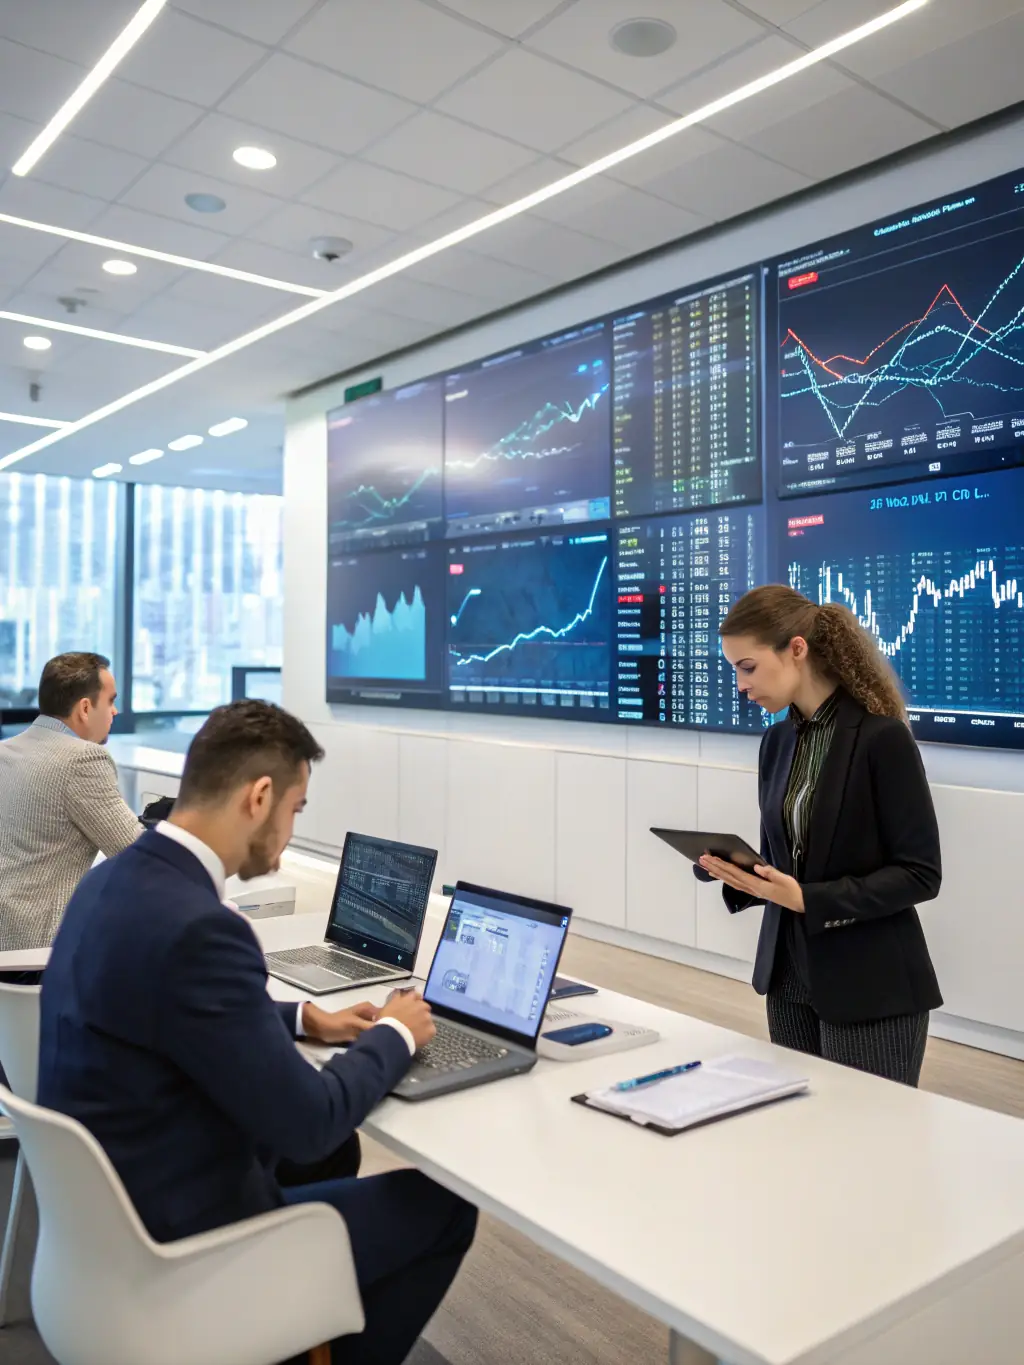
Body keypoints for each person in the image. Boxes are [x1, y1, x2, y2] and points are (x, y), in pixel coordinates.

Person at [38, 699, 476, 1364]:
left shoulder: (112, 881)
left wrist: (303, 1016)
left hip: (108, 1234)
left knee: (330, 1162)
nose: (292, 830)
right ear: (260, 795)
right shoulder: (202, 927)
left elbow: (154, 1007)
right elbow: (309, 1120)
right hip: (188, 1254)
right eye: (296, 810)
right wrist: (394, 1032)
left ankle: (304, 1336)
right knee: (443, 1206)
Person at [696, 584, 942, 1087]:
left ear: (797, 649)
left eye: (747, 667)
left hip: (870, 983)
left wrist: (808, 898)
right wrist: (739, 873)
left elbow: (920, 874)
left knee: (866, 1143)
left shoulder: (881, 739)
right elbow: (786, 857)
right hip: (788, 975)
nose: (740, 686)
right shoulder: (777, 741)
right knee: (802, 1136)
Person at [0, 652, 142, 952]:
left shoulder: (7, 751)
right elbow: (137, 854)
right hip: (40, 955)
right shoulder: (82, 759)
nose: (115, 712)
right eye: (111, 701)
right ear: (86, 708)